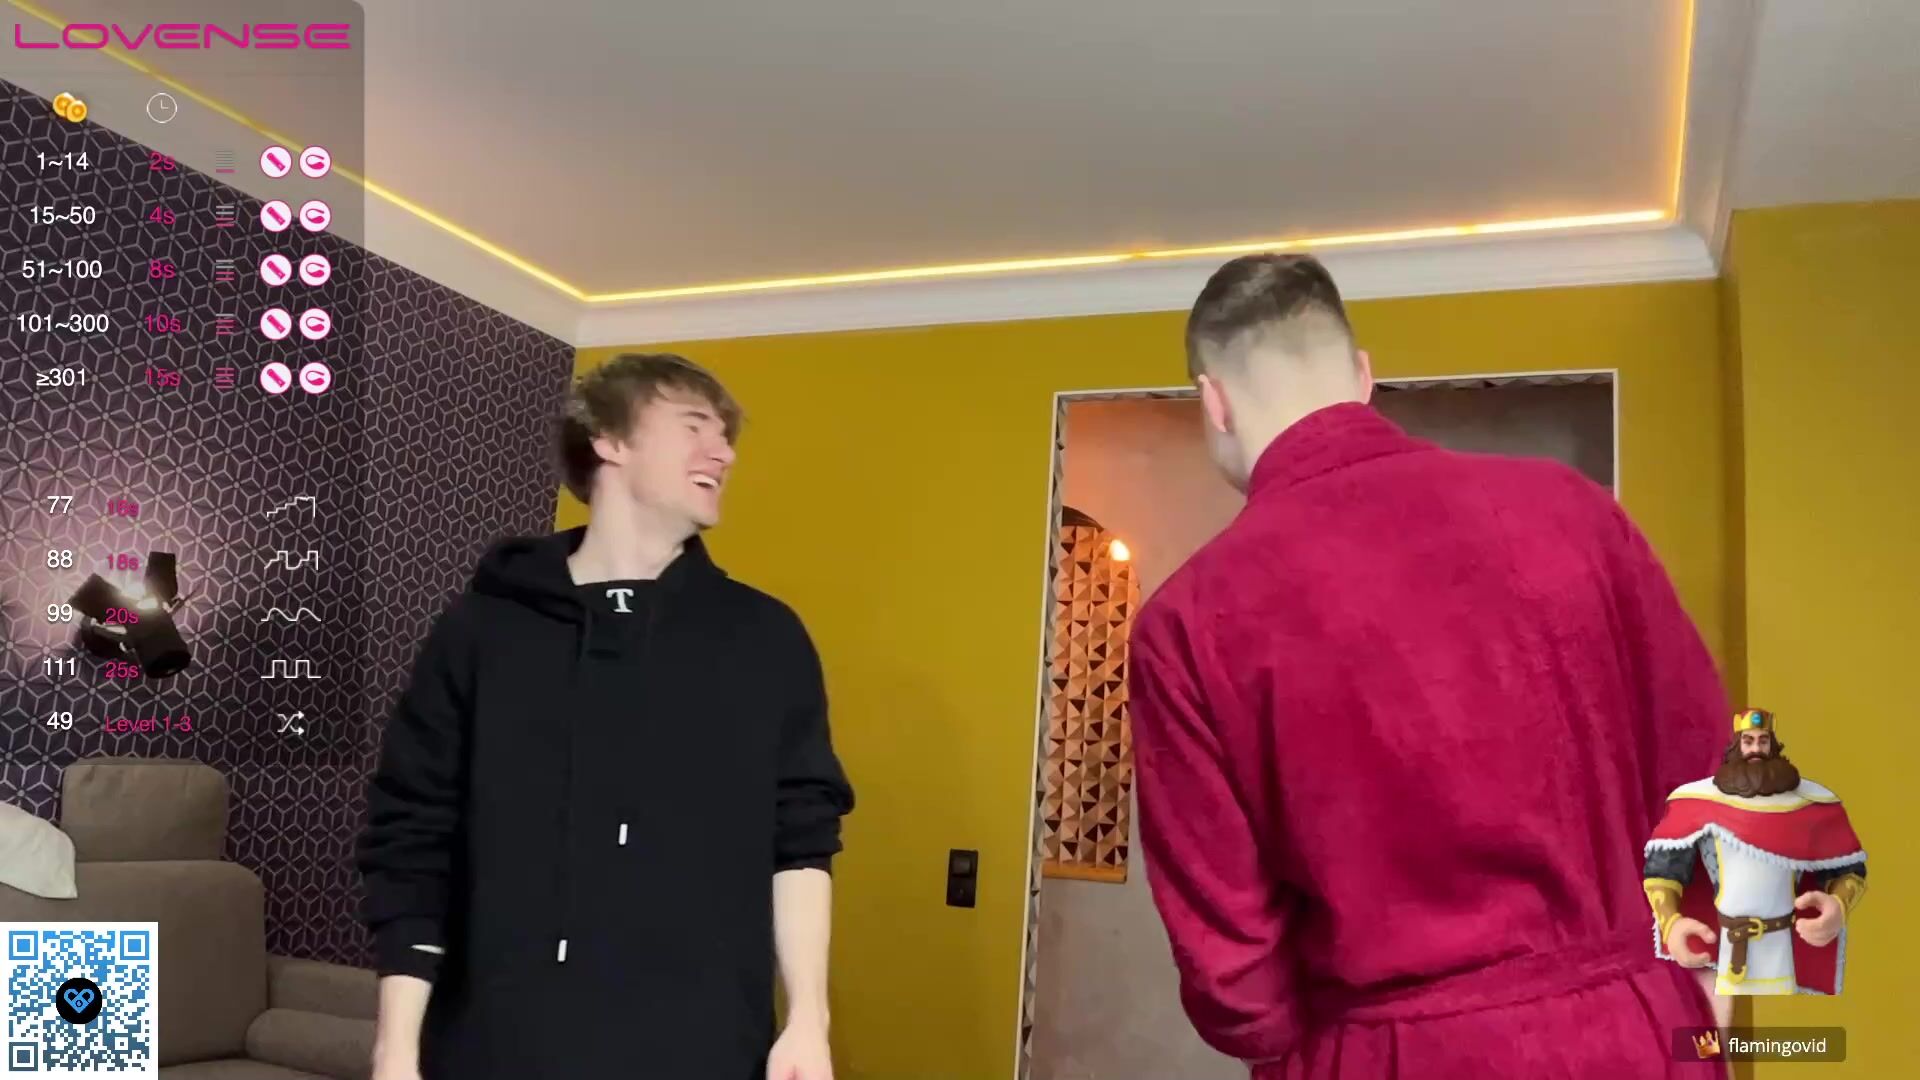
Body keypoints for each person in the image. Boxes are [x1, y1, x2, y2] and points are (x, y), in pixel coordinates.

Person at [1126, 253, 1728, 1077]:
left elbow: (1233, 972)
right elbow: (1710, 777)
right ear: (1363, 375)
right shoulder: (1574, 513)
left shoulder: (1186, 623)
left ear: (1214, 402)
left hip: (1384, 1056)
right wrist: (1700, 991)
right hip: (1631, 1034)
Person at [356, 353, 854, 1080]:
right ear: (609, 440)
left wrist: (810, 1019)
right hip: (496, 1046)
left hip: (702, 1048)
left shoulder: (766, 639)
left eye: (726, 437)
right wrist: (396, 1050)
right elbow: (412, 837)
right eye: (694, 426)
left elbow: (802, 841)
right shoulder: (481, 632)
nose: (723, 453)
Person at [1644, 708, 1866, 1009]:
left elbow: (1848, 869)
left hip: (1783, 948)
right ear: (1736, 746)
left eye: (1763, 741)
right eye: (1748, 741)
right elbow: (1663, 871)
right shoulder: (1697, 802)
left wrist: (1838, 906)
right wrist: (1671, 923)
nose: (1756, 749)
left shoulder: (1812, 804)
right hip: (1722, 950)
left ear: (1773, 746)